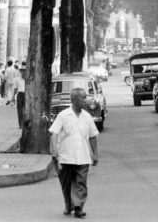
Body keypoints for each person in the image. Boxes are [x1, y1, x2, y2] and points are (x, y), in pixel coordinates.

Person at [49, 88, 99, 219]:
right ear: (75, 100)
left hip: (83, 156)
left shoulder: (87, 116)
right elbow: (54, 134)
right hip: (66, 157)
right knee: (66, 184)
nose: (85, 101)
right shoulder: (64, 115)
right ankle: (69, 204)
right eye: (83, 98)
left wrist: (95, 154)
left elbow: (93, 136)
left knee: (81, 183)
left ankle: (78, 207)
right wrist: (54, 151)